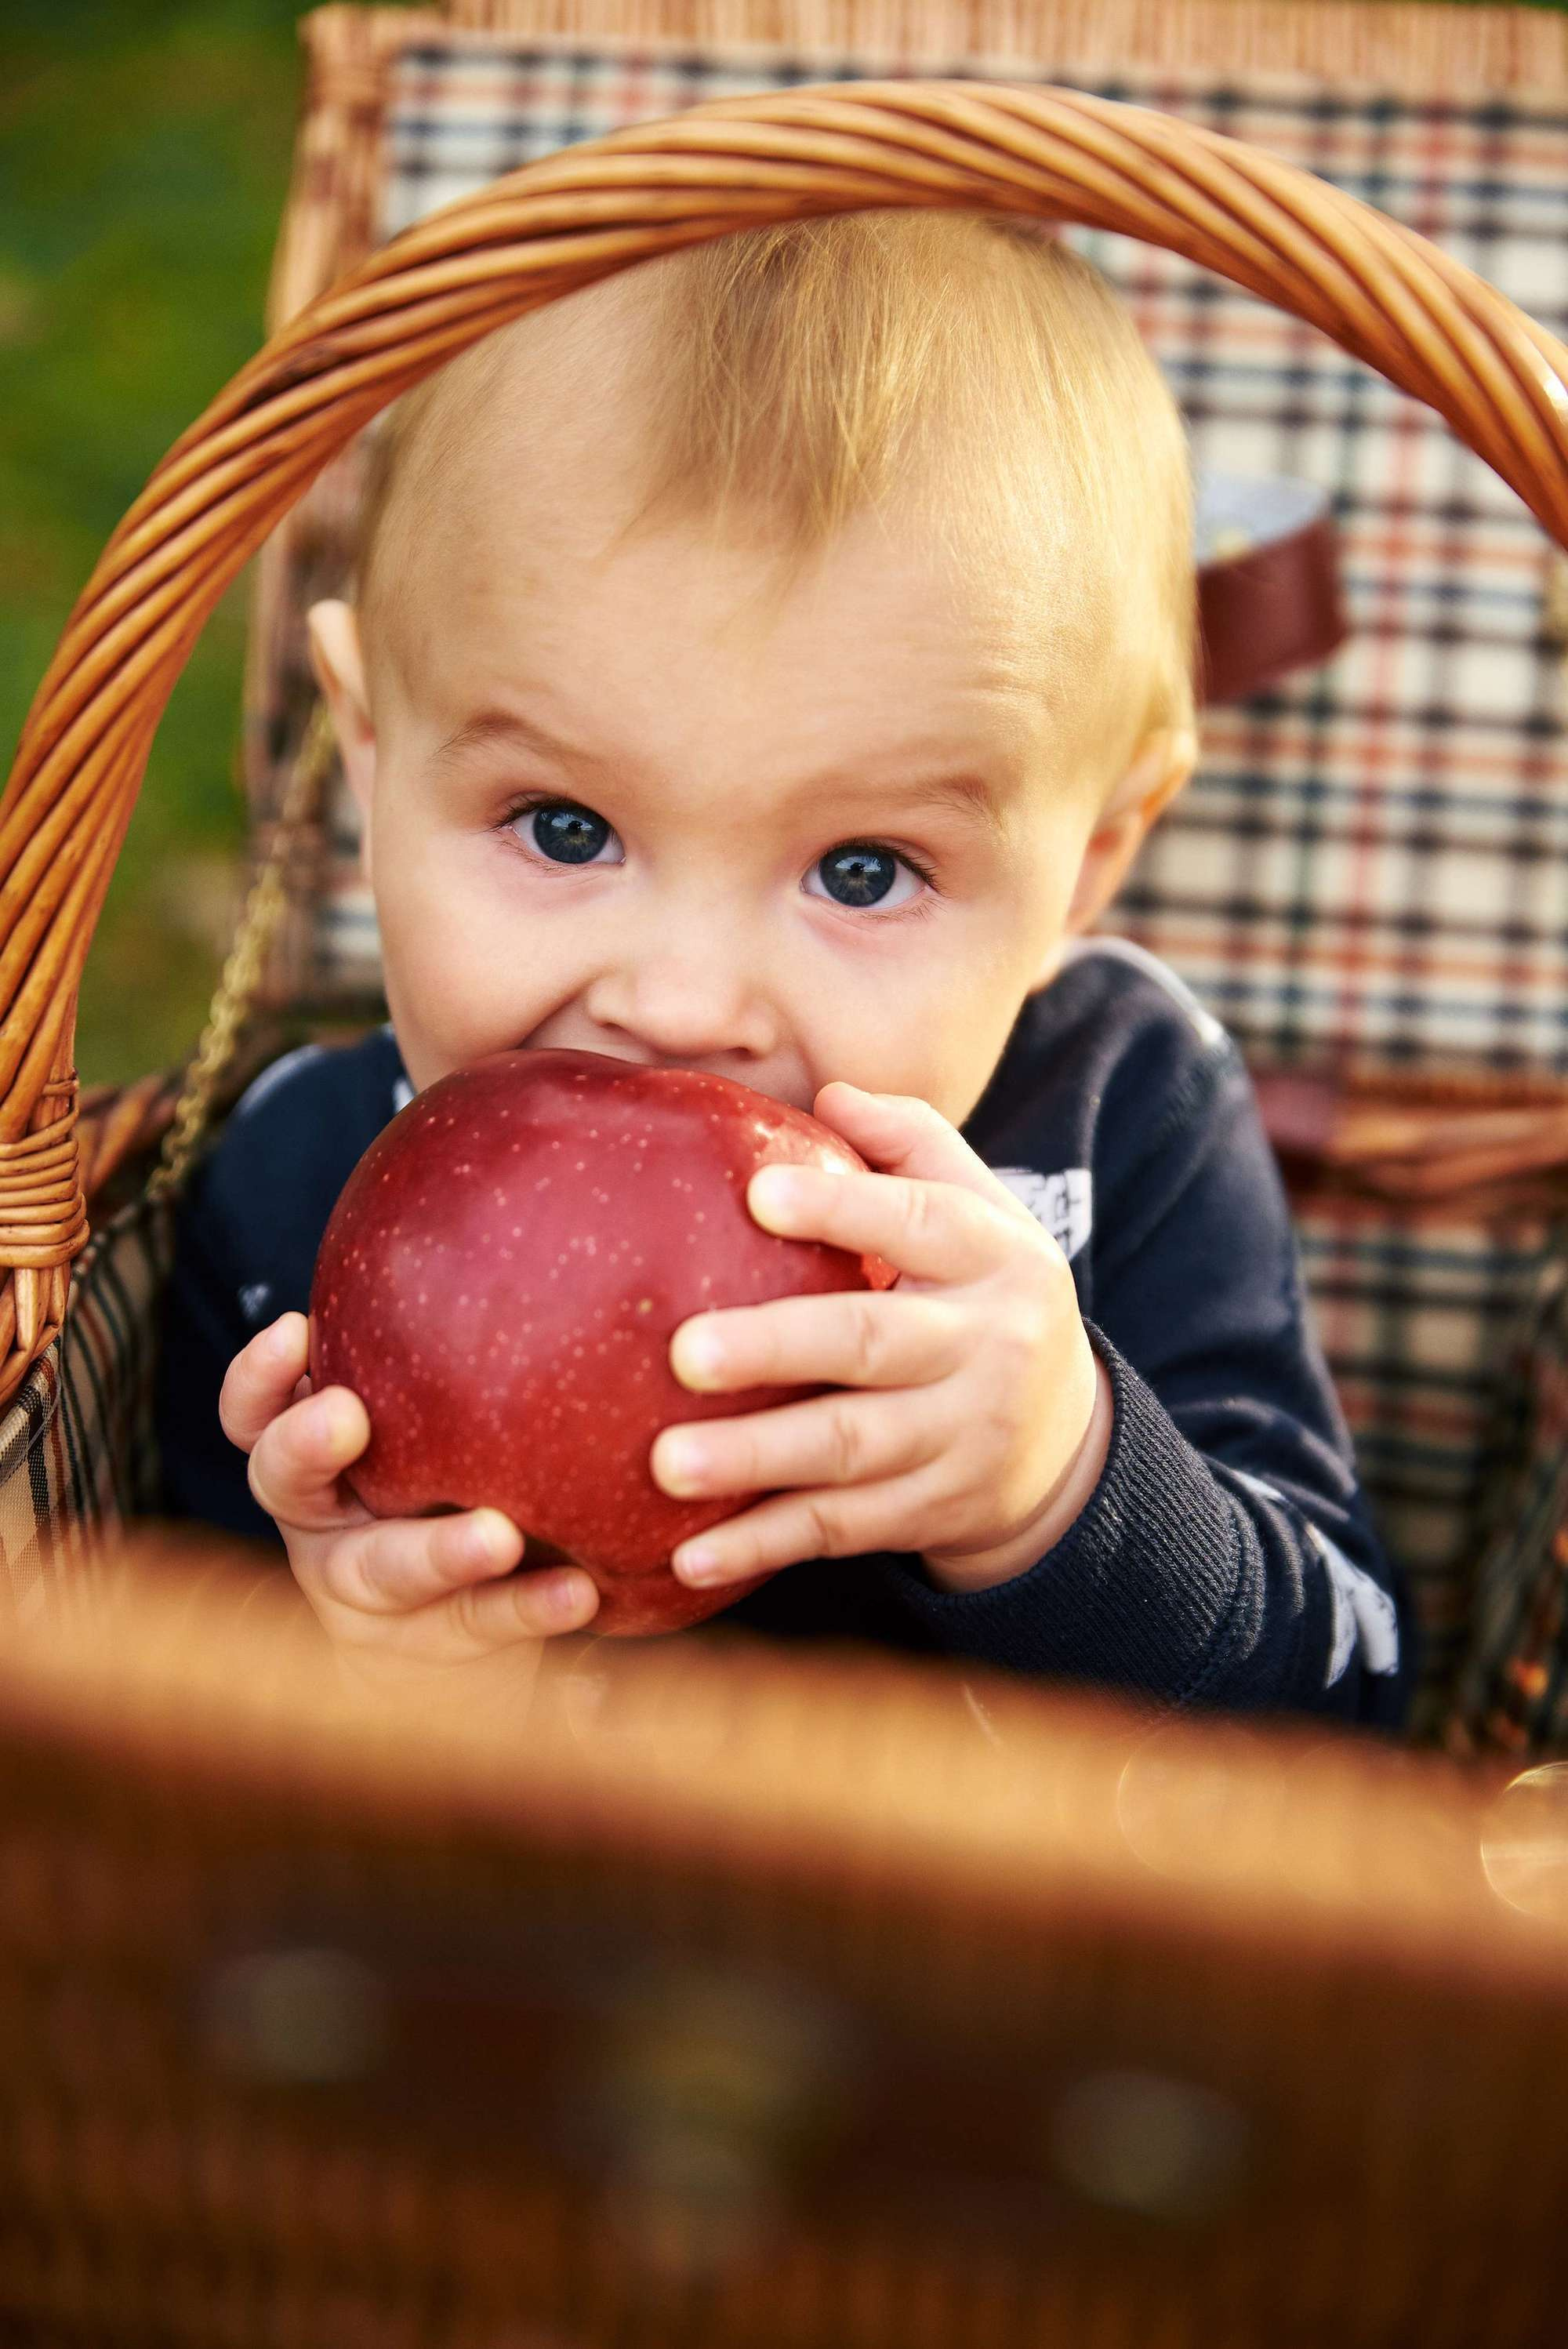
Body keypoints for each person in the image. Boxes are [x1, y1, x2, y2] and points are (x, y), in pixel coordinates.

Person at [155, 211, 1412, 1723]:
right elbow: (138, 1707)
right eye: (565, 828)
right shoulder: (295, 1189)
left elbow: (1352, 1703)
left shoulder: (1125, 1125)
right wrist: (338, 1647)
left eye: (863, 872)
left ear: (1091, 861)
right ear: (368, 750)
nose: (681, 1004)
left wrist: (1060, 1488)